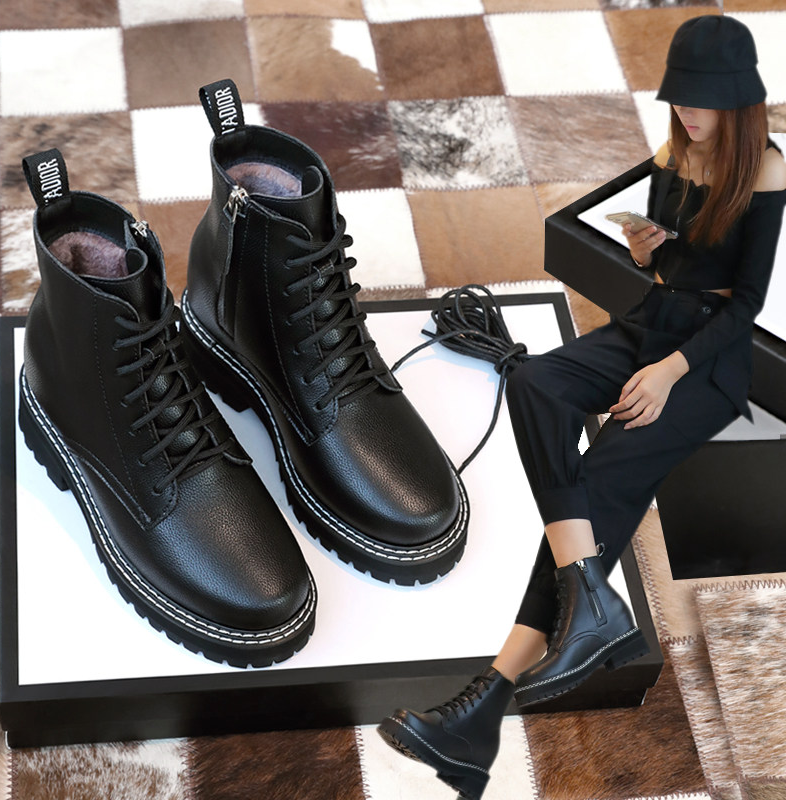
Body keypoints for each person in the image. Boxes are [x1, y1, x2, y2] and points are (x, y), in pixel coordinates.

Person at [377, 14, 786, 800]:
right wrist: (647, 250)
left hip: (705, 365)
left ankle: (481, 708)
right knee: (535, 384)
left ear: (738, 101)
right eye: (680, 98)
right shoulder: (673, 151)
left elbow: (746, 305)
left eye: (701, 100)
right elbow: (672, 266)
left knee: (596, 489)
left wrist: (668, 372)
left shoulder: (765, 169)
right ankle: (590, 599)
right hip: (651, 322)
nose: (687, 112)